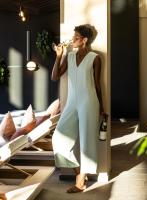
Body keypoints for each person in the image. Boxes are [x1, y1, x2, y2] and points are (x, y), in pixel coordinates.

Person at [51, 24, 104, 193]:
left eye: (76, 37)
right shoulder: (70, 56)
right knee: (58, 138)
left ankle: (80, 182)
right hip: (72, 102)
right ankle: (80, 172)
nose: (72, 40)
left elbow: (97, 85)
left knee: (87, 142)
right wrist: (59, 56)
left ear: (84, 40)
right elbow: (55, 76)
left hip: (89, 101)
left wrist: (102, 108)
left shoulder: (95, 58)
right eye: (73, 37)